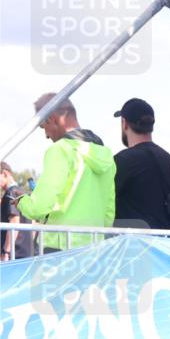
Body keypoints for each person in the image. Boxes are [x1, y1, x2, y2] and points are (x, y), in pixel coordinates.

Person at [16, 94, 115, 252]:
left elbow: (39, 207)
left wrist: (22, 201)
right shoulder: (107, 156)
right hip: (94, 249)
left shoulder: (60, 150)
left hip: (59, 249)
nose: (46, 135)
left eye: (43, 127)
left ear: (52, 119)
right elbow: (108, 215)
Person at [112, 98, 170, 230]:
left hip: (135, 244)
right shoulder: (167, 158)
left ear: (124, 124)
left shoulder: (122, 160)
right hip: (165, 241)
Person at [1, 161, 35, 260]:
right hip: (26, 254)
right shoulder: (24, 193)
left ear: (5, 173)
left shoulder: (10, 193)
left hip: (14, 254)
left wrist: (5, 252)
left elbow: (14, 222)